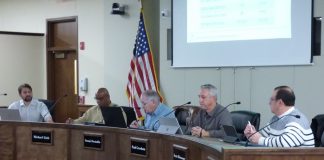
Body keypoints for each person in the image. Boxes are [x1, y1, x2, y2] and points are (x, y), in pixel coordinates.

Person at [244, 86, 314, 147]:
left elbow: (286, 142)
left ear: (280, 102)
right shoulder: (276, 118)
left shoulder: (297, 119)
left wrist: (260, 140)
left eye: (272, 99)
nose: (269, 102)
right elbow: (262, 138)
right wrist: (251, 135)